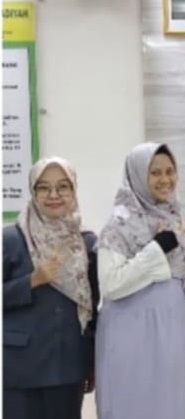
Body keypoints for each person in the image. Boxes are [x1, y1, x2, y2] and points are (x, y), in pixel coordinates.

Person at [95, 143, 185, 419]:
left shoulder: (173, 219)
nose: (165, 180)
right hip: (133, 334)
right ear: (138, 176)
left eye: (170, 171)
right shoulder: (119, 225)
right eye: (155, 172)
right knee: (134, 404)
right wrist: (157, 248)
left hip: (173, 331)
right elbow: (111, 284)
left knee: (171, 406)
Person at [3, 158, 99, 419]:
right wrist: (31, 281)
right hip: (21, 366)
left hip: (68, 365)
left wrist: (91, 362)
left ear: (73, 190)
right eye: (44, 188)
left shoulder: (87, 242)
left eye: (63, 187)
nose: (53, 195)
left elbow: (93, 309)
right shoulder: (12, 239)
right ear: (33, 192)